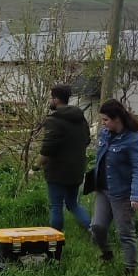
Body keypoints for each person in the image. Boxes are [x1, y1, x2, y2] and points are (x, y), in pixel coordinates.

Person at [89, 98, 138, 274]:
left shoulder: (134, 140)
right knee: (97, 227)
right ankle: (106, 253)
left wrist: (137, 195)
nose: (103, 123)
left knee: (125, 233)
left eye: (105, 120)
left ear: (117, 119)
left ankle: (130, 268)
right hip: (103, 189)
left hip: (122, 193)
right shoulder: (105, 134)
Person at [38, 84, 90, 235]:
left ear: (56, 99)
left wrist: (36, 166)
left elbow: (47, 148)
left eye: (50, 97)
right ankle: (94, 229)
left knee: (56, 205)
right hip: (76, 170)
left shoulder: (54, 120)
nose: (49, 100)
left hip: (57, 172)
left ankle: (55, 240)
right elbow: (86, 139)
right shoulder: (80, 118)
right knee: (73, 204)